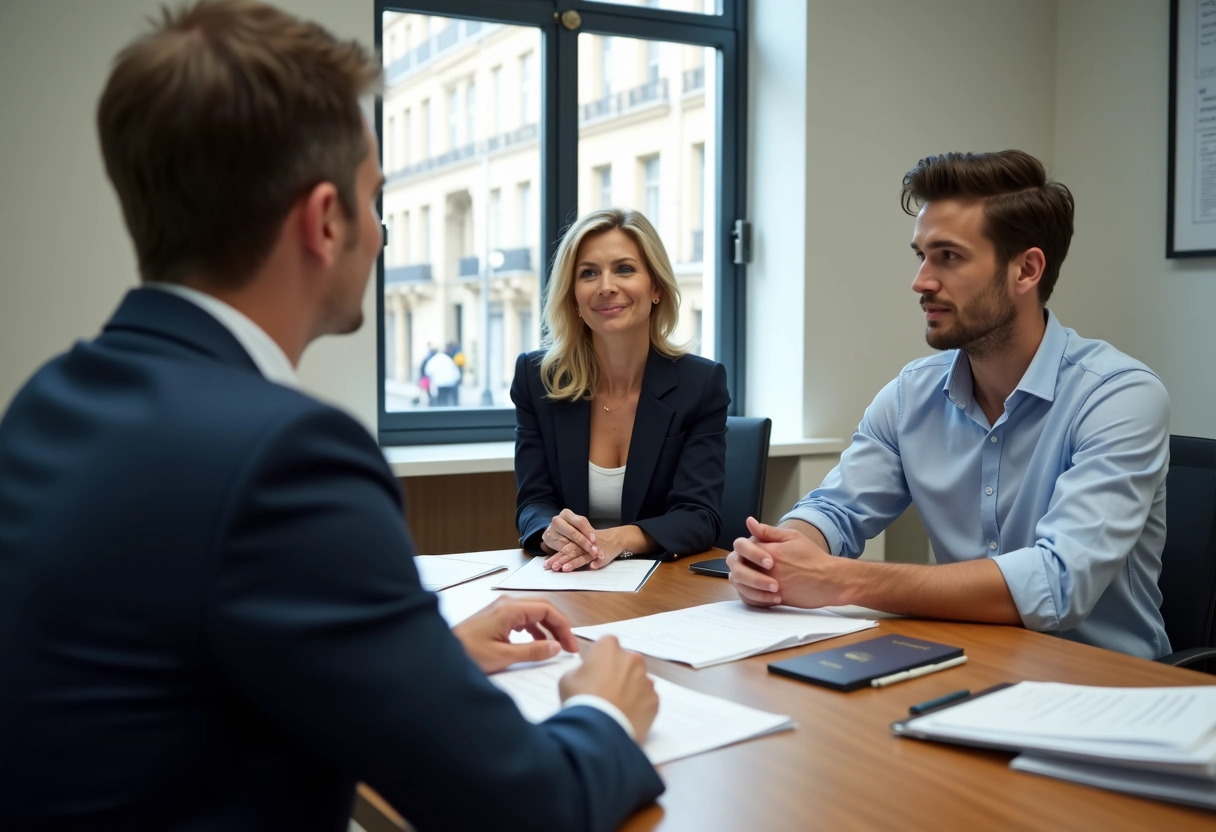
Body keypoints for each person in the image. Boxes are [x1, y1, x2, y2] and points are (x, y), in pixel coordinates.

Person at [0, 3, 663, 830]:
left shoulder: (47, 401)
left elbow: (175, 680)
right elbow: (526, 809)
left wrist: (428, 663)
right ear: (324, 221)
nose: (382, 233)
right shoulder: (287, 456)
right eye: (374, 199)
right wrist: (602, 712)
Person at [728, 150, 1171, 660]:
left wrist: (837, 580)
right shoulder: (910, 394)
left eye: (949, 257)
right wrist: (781, 553)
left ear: (1026, 269)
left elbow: (1056, 583)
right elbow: (836, 510)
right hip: (961, 666)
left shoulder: (1119, 396)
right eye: (921, 255)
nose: (921, 282)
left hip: (1108, 690)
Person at [512, 208, 730, 571]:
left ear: (656, 287)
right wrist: (549, 531)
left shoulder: (701, 384)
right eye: (588, 273)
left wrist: (613, 541)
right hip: (566, 577)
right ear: (573, 296)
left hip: (663, 583)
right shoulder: (537, 378)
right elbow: (533, 503)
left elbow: (698, 515)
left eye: (624, 269)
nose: (606, 286)